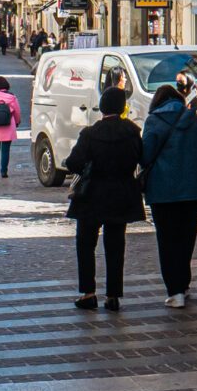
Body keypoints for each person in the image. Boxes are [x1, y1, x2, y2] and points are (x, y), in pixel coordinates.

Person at [64, 86, 146, 311]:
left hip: (92, 194)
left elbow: (73, 162)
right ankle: (113, 296)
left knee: (85, 244)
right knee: (116, 245)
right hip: (121, 193)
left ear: (102, 107)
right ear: (122, 107)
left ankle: (88, 293)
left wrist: (88, 167)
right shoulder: (132, 132)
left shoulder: (90, 134)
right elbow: (141, 158)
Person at [140, 82, 197, 308]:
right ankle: (183, 284)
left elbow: (145, 156)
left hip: (164, 192)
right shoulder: (196, 121)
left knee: (167, 241)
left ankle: (175, 291)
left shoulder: (155, 121)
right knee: (186, 238)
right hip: (195, 192)